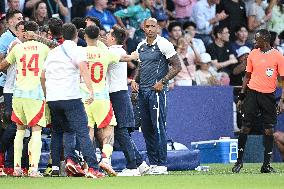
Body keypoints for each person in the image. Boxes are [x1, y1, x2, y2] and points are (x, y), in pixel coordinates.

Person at [43, 23, 105, 179]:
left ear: (62, 36)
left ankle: (57, 166)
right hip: (70, 97)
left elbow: (42, 76)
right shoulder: (78, 50)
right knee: (83, 132)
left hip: (53, 99)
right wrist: (91, 90)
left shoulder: (53, 52)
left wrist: (46, 95)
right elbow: (83, 69)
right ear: (76, 35)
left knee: (58, 132)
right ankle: (92, 168)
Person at [81, 25, 139, 176]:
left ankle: (89, 165)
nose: (105, 36)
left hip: (86, 97)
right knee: (110, 130)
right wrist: (134, 55)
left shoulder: (81, 52)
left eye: (107, 34)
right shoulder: (106, 53)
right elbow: (127, 58)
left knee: (90, 131)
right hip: (102, 97)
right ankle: (106, 159)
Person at [131, 18, 182, 175]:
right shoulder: (140, 45)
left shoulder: (164, 44)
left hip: (157, 92)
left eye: (153, 26)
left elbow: (177, 66)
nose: (150, 29)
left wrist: (163, 81)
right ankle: (153, 163)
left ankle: (162, 164)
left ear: (158, 28)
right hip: (143, 92)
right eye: (147, 26)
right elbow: (141, 66)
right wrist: (135, 80)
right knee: (146, 129)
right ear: (143, 28)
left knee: (158, 127)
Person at [0, 21, 50, 177]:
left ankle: (16, 168)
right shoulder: (43, 48)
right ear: (36, 32)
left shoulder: (18, 47)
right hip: (35, 95)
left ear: (25, 33)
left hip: (18, 94)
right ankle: (34, 169)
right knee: (36, 131)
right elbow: (57, 50)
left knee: (20, 131)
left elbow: (2, 65)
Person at [232, 29, 284, 173]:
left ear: (265, 40)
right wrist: (242, 96)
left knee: (269, 130)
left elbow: (283, 80)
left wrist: (282, 101)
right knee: (245, 127)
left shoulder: (278, 56)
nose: (254, 42)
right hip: (252, 94)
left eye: (257, 39)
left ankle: (266, 165)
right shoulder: (253, 54)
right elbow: (247, 76)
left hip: (268, 96)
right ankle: (239, 162)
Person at [106, 25, 148, 176]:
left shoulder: (113, 51)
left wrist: (133, 56)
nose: (106, 36)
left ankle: (131, 167)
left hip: (117, 95)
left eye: (108, 34)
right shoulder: (118, 50)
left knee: (121, 132)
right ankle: (140, 163)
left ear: (113, 38)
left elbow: (124, 58)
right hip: (120, 93)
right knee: (121, 132)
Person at [0, 9, 23, 177]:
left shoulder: (28, 44)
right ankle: (3, 157)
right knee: (11, 125)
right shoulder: (9, 41)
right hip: (6, 87)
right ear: (9, 22)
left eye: (22, 19)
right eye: (18, 19)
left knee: (21, 127)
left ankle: (10, 164)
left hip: (24, 91)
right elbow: (2, 63)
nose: (20, 22)